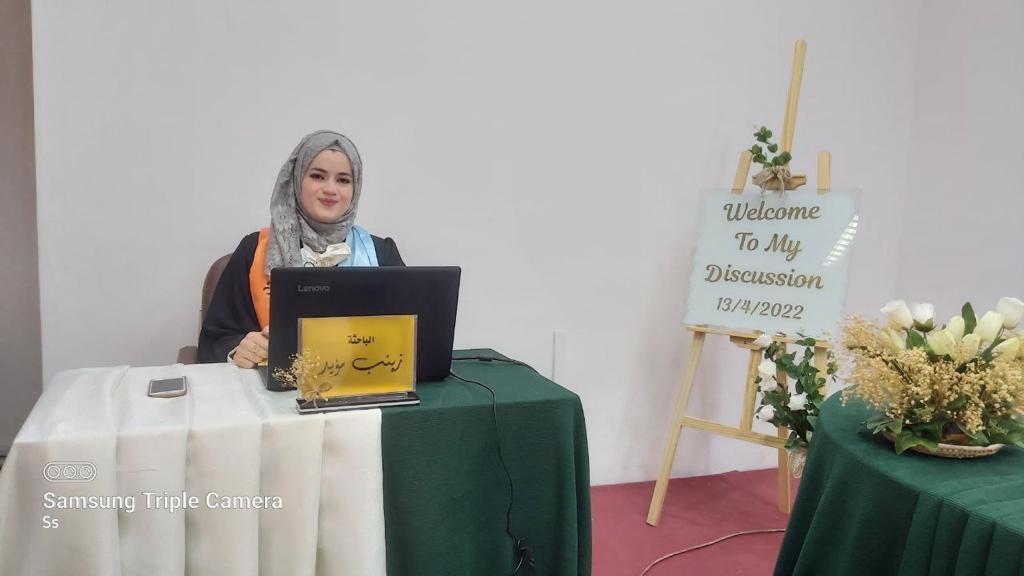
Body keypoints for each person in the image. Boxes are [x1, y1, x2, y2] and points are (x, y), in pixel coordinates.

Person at [198, 130, 404, 367]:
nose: (330, 189)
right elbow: (215, 340)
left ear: (355, 188)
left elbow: (412, 335)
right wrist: (237, 349)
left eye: (343, 180)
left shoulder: (380, 253)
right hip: (270, 385)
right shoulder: (254, 251)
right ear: (296, 181)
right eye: (317, 176)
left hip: (362, 379)